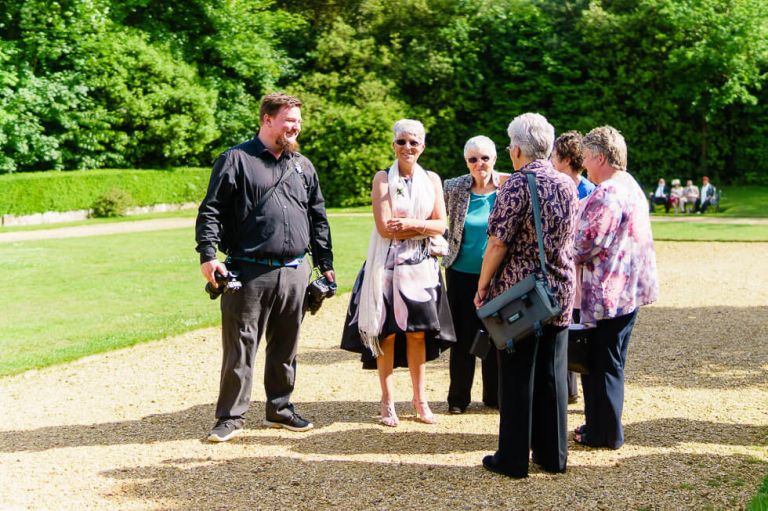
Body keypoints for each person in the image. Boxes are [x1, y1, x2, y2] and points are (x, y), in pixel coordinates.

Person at [196, 92, 334, 442]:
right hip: (248, 270)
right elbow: (210, 210)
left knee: (286, 346)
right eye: (289, 120)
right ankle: (230, 417)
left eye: (298, 121)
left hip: (295, 270)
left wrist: (325, 264)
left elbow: (317, 217)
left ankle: (280, 408)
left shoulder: (302, 166)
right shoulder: (235, 159)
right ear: (267, 119)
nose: (296, 127)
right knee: (241, 347)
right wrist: (208, 255)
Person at [475, 113, 579, 478]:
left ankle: (513, 459)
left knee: (517, 376)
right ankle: (553, 456)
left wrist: (483, 286)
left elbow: (498, 241)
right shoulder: (567, 184)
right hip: (560, 289)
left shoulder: (517, 184)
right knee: (553, 374)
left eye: (508, 145)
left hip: (522, 294)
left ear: (517, 148)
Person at [341, 119, 456, 427]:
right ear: (393, 145)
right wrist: (421, 226)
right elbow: (384, 226)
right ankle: (387, 400)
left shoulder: (431, 179)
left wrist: (408, 226)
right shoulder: (382, 178)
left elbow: (441, 224)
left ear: (422, 147)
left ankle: (420, 399)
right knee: (387, 334)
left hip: (421, 269)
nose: (408, 147)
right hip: (386, 267)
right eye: (402, 141)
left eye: (414, 142)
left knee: (418, 333)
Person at [573, 126, 659, 449]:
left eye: (585, 158)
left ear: (598, 157)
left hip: (609, 293)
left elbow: (585, 244)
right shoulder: (631, 185)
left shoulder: (609, 192)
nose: (583, 165)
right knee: (608, 362)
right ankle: (599, 425)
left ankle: (606, 433)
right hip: (628, 291)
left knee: (601, 365)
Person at [443, 136, 509, 415]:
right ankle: (458, 398)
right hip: (460, 272)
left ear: (494, 158)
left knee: (498, 334)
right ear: (466, 162)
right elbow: (436, 218)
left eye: (484, 158)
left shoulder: (508, 187)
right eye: (473, 159)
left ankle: (494, 396)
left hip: (498, 274)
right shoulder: (453, 187)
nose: (479, 164)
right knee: (461, 337)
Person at [550, 130, 595, 405]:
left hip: (577, 271)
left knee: (575, 328)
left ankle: (571, 388)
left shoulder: (587, 191)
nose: (551, 160)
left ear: (565, 158)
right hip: (565, 270)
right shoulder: (559, 184)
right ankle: (565, 390)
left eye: (555, 155)